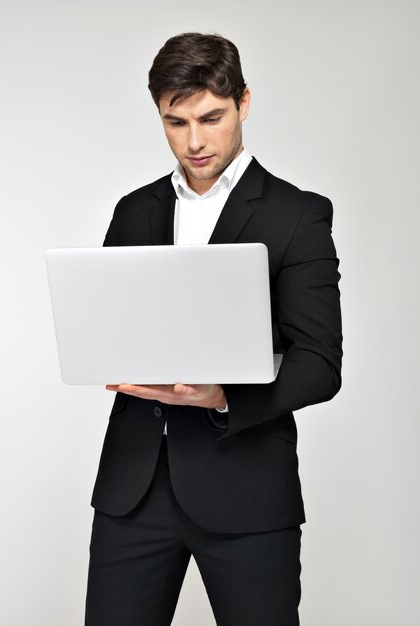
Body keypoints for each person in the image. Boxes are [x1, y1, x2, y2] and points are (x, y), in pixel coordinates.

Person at [85, 32, 342, 626]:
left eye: (211, 118)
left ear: (244, 102)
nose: (195, 141)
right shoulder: (133, 210)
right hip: (133, 490)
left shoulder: (297, 215)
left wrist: (225, 396)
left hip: (246, 490)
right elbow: (108, 326)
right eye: (176, 122)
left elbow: (318, 362)